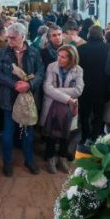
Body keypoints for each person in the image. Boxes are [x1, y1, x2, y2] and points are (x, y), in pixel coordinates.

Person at [0, 23, 45, 176]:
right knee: (8, 134)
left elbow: (41, 73)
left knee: (27, 133)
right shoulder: (3, 52)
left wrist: (29, 84)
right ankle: (7, 163)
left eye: (13, 38)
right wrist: (14, 83)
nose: (9, 41)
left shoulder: (34, 53)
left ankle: (29, 161)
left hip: (27, 98)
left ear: (23, 37)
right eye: (8, 38)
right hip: (9, 97)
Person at [41, 45, 84, 174]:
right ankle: (50, 158)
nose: (59, 59)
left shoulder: (78, 70)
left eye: (63, 57)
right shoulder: (51, 67)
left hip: (68, 108)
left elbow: (78, 90)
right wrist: (67, 98)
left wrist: (57, 91)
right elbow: (46, 88)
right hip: (52, 106)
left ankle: (62, 157)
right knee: (51, 134)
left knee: (66, 134)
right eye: (58, 56)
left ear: (71, 58)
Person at [77, 25, 110, 143]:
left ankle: (85, 136)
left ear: (88, 35)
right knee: (98, 114)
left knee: (84, 114)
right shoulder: (108, 48)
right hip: (102, 87)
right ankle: (96, 137)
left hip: (84, 87)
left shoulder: (80, 49)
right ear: (102, 35)